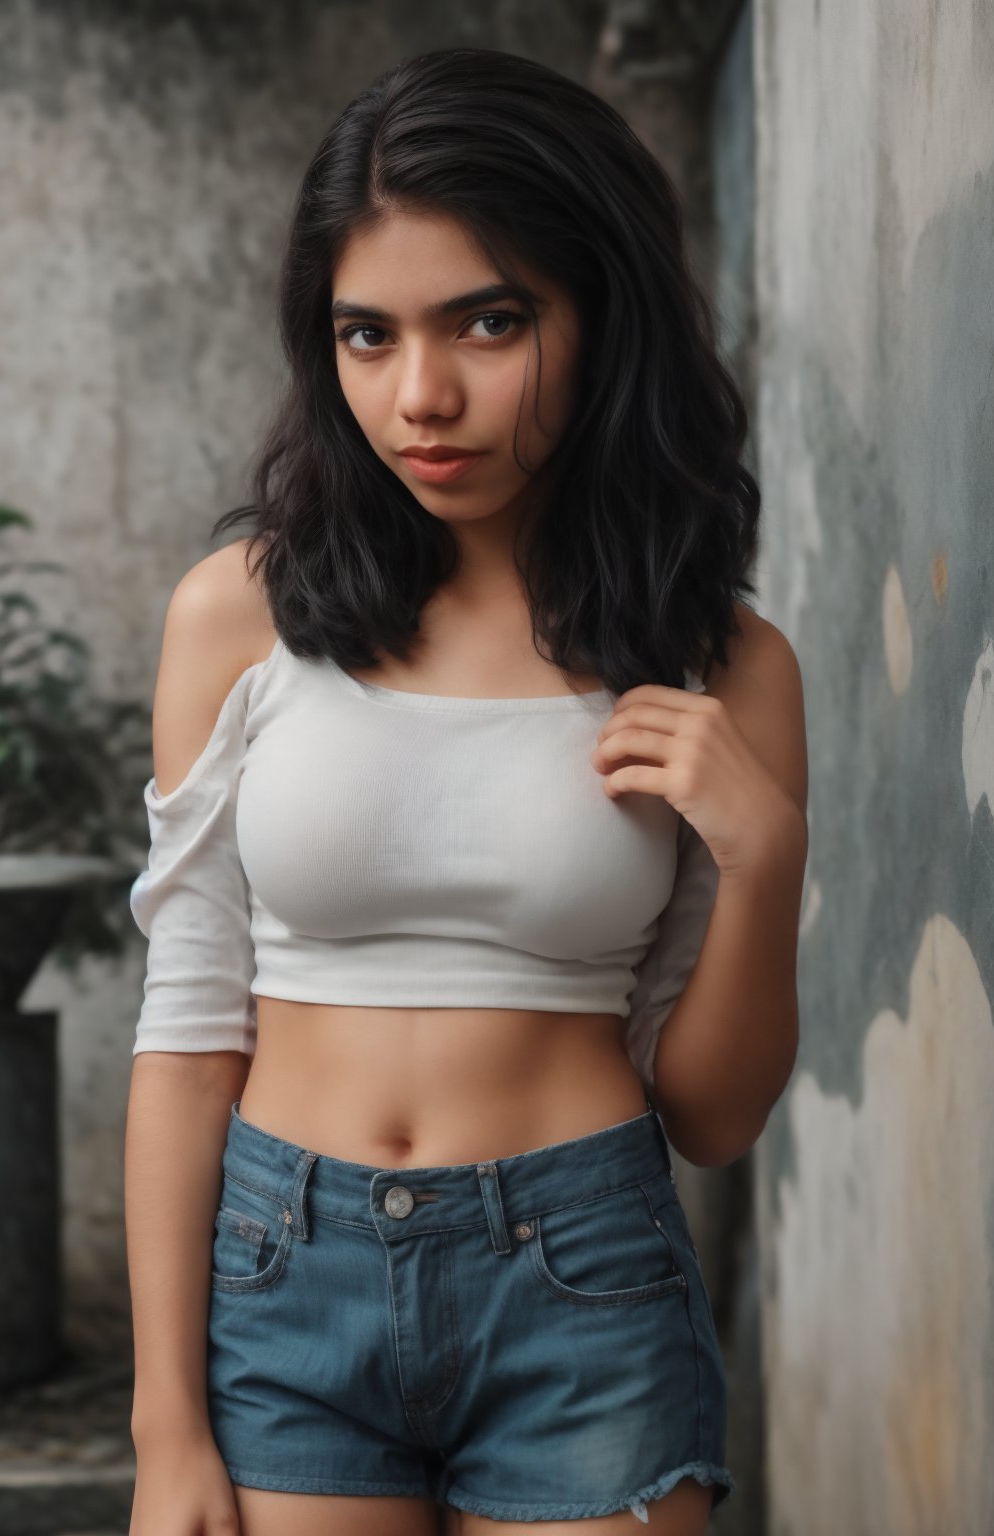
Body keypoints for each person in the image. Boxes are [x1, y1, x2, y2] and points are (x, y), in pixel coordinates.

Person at [124, 45, 808, 1536]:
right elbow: (186, 1039)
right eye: (367, 336)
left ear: (599, 312)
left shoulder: (717, 660)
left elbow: (713, 1115)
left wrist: (765, 859)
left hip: (584, 1279)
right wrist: (164, 1426)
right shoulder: (240, 614)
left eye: (488, 322)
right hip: (281, 1280)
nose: (421, 396)